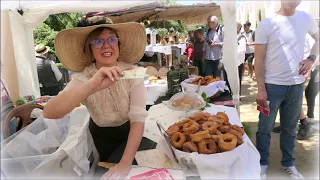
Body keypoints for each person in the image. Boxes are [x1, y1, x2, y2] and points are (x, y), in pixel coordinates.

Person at [44, 16, 156, 179]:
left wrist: (125, 162)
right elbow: (49, 112)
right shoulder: (83, 77)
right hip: (100, 137)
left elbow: (138, 121)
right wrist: (92, 85)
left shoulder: (133, 73)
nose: (106, 45)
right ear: (89, 49)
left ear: (119, 44)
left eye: (112, 39)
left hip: (131, 133)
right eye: (97, 41)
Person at [254, 0, 319, 178]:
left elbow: (318, 39)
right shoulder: (267, 23)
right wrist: (261, 88)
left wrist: (311, 59)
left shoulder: (306, 18)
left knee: (290, 129)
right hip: (271, 87)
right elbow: (258, 59)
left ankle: (288, 163)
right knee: (264, 128)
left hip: (296, 87)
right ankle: (262, 163)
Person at [273, 33, 318, 140]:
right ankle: (285, 124)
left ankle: (304, 124)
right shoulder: (289, 32)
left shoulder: (307, 34)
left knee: (294, 102)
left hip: (302, 73)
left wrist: (310, 67)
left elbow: (317, 52)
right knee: (284, 100)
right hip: (287, 74)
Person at [237, 23, 247, 95]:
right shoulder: (229, 37)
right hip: (229, 62)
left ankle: (238, 96)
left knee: (237, 80)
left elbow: (242, 50)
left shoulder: (241, 37)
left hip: (238, 62)